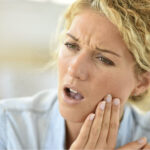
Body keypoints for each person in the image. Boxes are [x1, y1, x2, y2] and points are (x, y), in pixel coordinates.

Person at [0, 0, 150, 149]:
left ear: (142, 83)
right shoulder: (8, 125)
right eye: (71, 45)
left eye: (103, 59)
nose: (74, 69)